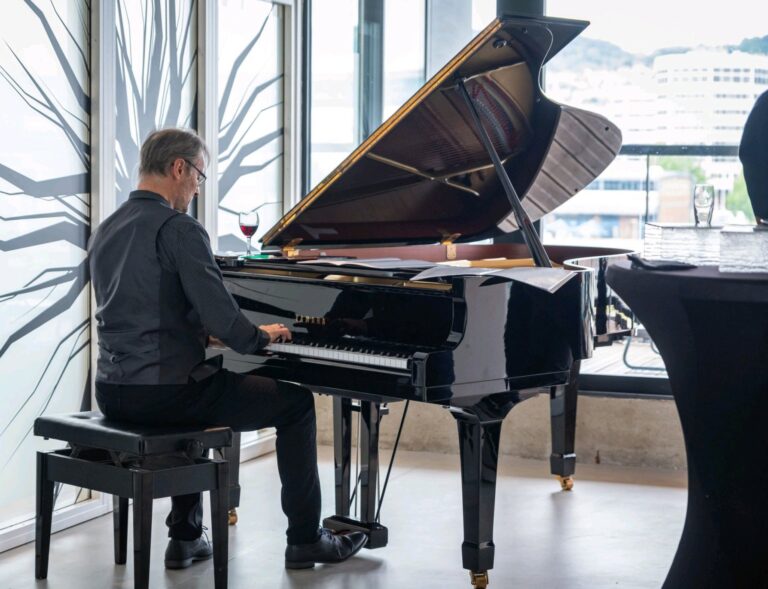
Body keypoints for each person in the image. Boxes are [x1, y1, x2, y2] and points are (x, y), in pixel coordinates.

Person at [88, 128, 366, 570]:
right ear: (179, 168)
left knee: (199, 381)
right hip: (165, 394)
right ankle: (305, 539)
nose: (197, 188)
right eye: (199, 176)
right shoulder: (179, 229)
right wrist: (260, 335)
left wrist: (203, 338)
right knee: (294, 405)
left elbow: (139, 312)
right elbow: (225, 319)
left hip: (113, 390)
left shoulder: (107, 228)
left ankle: (185, 537)